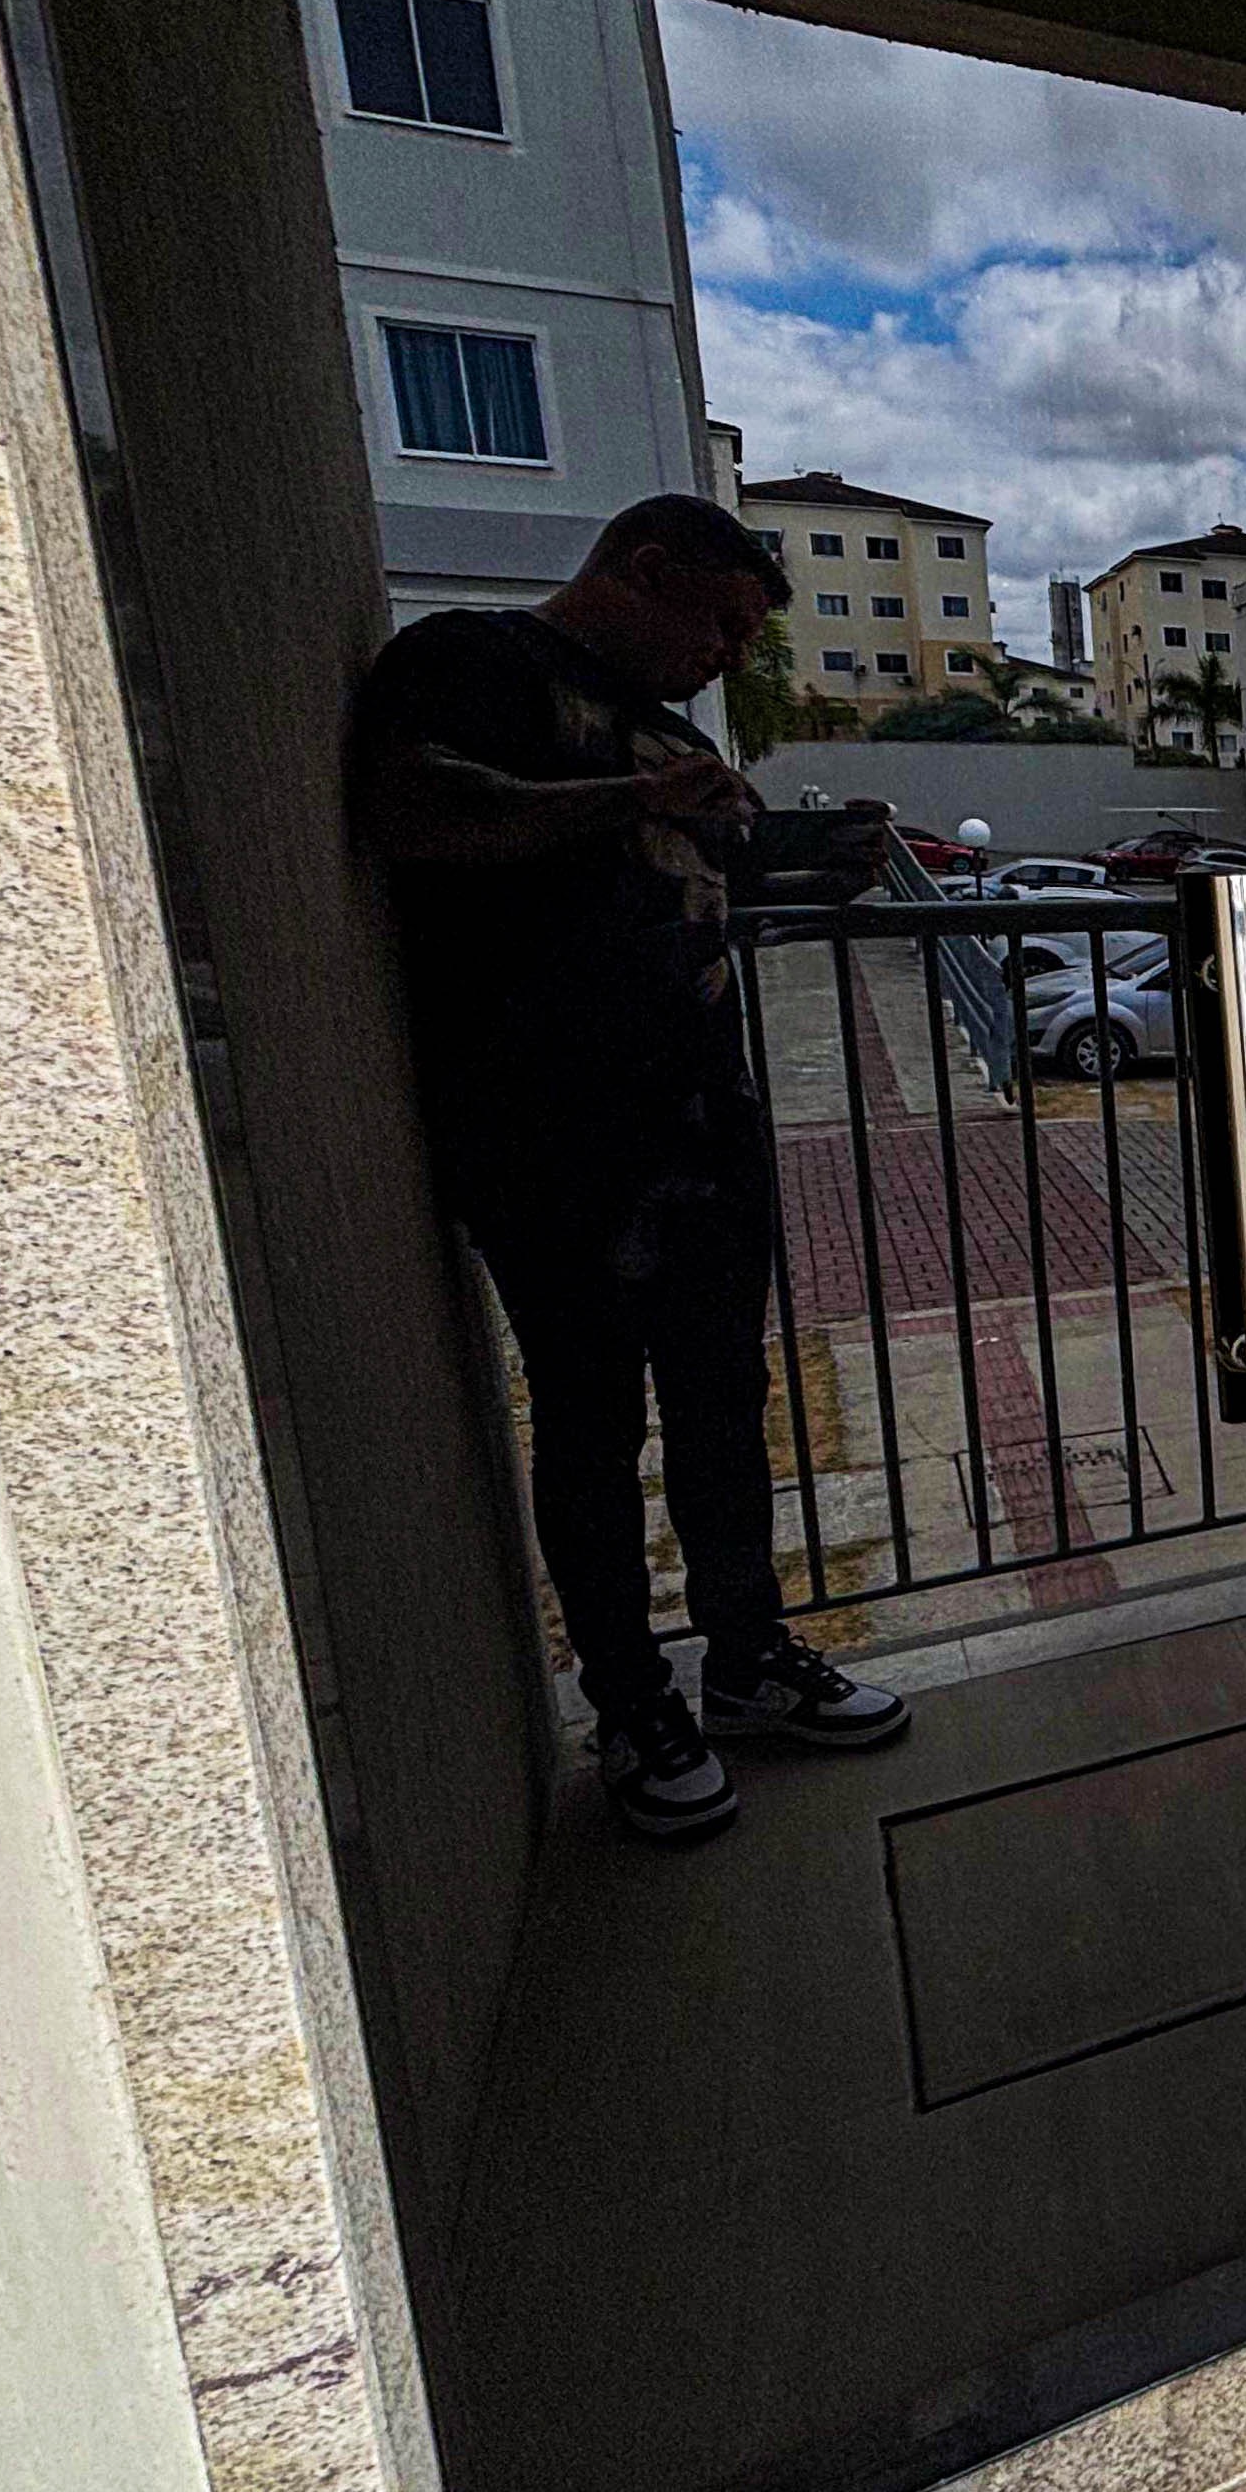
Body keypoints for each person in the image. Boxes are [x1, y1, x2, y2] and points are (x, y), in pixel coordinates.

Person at [353, 493, 908, 1839]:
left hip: (702, 1123)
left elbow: (685, 882)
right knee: (591, 1423)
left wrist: (804, 860)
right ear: (644, 571)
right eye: (719, 626)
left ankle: (747, 1661)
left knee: (724, 1401)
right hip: (551, 1138)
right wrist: (640, 797)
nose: (725, 658)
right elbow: (415, 812)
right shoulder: (474, 660)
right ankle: (631, 1705)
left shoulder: (675, 734)